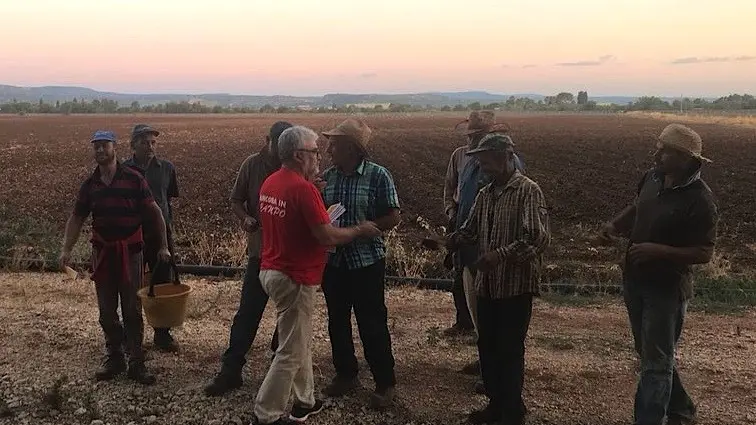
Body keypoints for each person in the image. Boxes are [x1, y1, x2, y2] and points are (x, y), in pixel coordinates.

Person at [253, 126, 381, 425]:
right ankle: (265, 415)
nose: (320, 157)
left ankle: (305, 402)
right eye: (314, 151)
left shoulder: (272, 182)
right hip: (295, 277)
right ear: (299, 155)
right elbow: (325, 236)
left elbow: (292, 221)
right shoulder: (303, 189)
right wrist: (360, 230)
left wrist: (313, 194)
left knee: (299, 342)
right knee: (289, 352)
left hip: (272, 270)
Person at [597, 124, 718, 425]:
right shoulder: (652, 178)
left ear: (685, 158)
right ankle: (681, 408)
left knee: (655, 362)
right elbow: (638, 207)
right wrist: (614, 226)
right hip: (635, 280)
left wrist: (658, 250)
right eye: (658, 147)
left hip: (665, 289)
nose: (657, 154)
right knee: (651, 353)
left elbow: (704, 252)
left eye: (665, 151)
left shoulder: (700, 199)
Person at [449, 132, 550, 425]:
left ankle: (511, 410)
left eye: (486, 162)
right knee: (488, 345)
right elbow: (470, 230)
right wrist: (452, 240)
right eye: (480, 163)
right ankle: (496, 404)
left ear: (506, 157)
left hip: (515, 286)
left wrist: (500, 255)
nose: (483, 168)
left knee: (509, 348)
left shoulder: (528, 191)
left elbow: (537, 239)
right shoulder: (486, 194)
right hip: (488, 285)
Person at [59, 130, 171, 386]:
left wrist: (163, 246)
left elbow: (154, 213)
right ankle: (115, 356)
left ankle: (137, 361)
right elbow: (76, 218)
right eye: (96, 146)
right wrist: (66, 248)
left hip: (131, 253)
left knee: (132, 309)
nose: (100, 150)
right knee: (106, 312)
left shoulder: (134, 179)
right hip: (103, 253)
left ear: (114, 148)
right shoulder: (90, 186)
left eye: (104, 146)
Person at [319, 118, 402, 409]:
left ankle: (384, 382)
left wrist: (371, 226)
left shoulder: (379, 176)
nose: (328, 149)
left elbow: (394, 216)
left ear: (351, 149)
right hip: (334, 263)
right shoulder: (326, 178)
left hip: (367, 262)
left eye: (334, 144)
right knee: (336, 321)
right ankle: (345, 375)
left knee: (372, 323)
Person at [205, 121, 293, 396]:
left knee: (286, 318)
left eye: (286, 147)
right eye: (278, 145)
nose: (281, 152)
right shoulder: (251, 165)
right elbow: (235, 200)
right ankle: (231, 371)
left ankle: (278, 374)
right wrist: (246, 219)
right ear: (268, 140)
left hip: (288, 258)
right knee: (247, 315)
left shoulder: (295, 168)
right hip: (260, 254)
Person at [452, 111, 525, 392]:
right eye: (469, 136)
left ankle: (497, 377)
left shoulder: (512, 173)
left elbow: (528, 230)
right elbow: (462, 199)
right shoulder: (471, 161)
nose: (470, 140)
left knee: (498, 322)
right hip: (473, 251)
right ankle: (487, 364)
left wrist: (499, 253)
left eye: (475, 136)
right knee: (478, 312)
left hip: (494, 255)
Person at [123, 124, 181, 352]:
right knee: (131, 284)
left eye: (153, 142)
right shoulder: (124, 170)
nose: (150, 147)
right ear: (133, 145)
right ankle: (132, 335)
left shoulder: (166, 168)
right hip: (132, 234)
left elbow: (168, 200)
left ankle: (162, 334)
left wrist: (167, 234)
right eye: (145, 142)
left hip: (161, 236)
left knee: (163, 283)